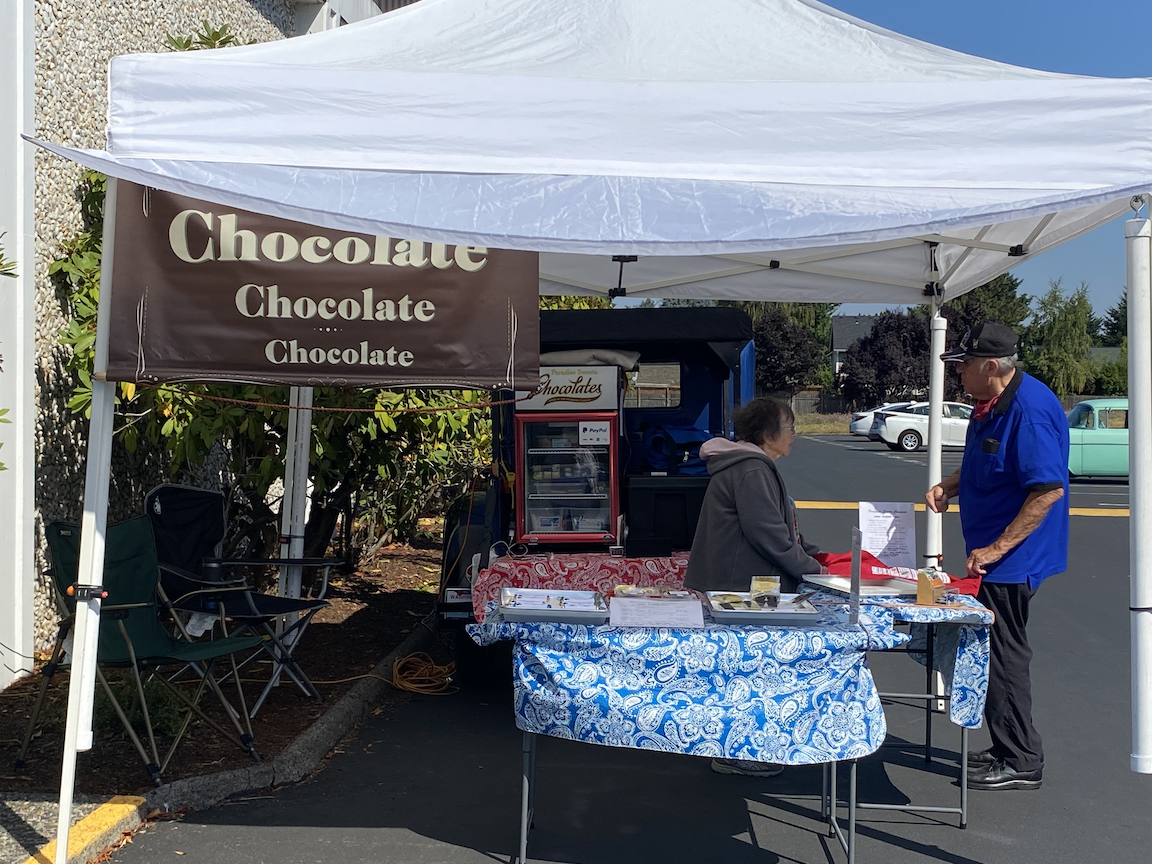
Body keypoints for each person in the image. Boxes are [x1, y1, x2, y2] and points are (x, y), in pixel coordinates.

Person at [925, 321, 1069, 792]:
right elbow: (988, 461)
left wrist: (997, 548)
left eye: (963, 366)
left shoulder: (1028, 410)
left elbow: (1046, 491)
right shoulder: (990, 404)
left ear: (991, 365)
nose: (957, 375)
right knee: (992, 653)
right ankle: (1010, 745)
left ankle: (1022, 758)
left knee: (1003, 656)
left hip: (1010, 562)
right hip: (992, 557)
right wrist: (950, 483)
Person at [685, 396, 825, 777]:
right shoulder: (752, 469)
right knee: (751, 673)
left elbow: (781, 528)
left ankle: (739, 749)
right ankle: (742, 753)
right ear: (768, 434)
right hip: (744, 591)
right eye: (790, 427)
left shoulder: (749, 465)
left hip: (739, 588)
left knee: (741, 672)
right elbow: (769, 534)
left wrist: (816, 554)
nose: (794, 435)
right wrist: (813, 569)